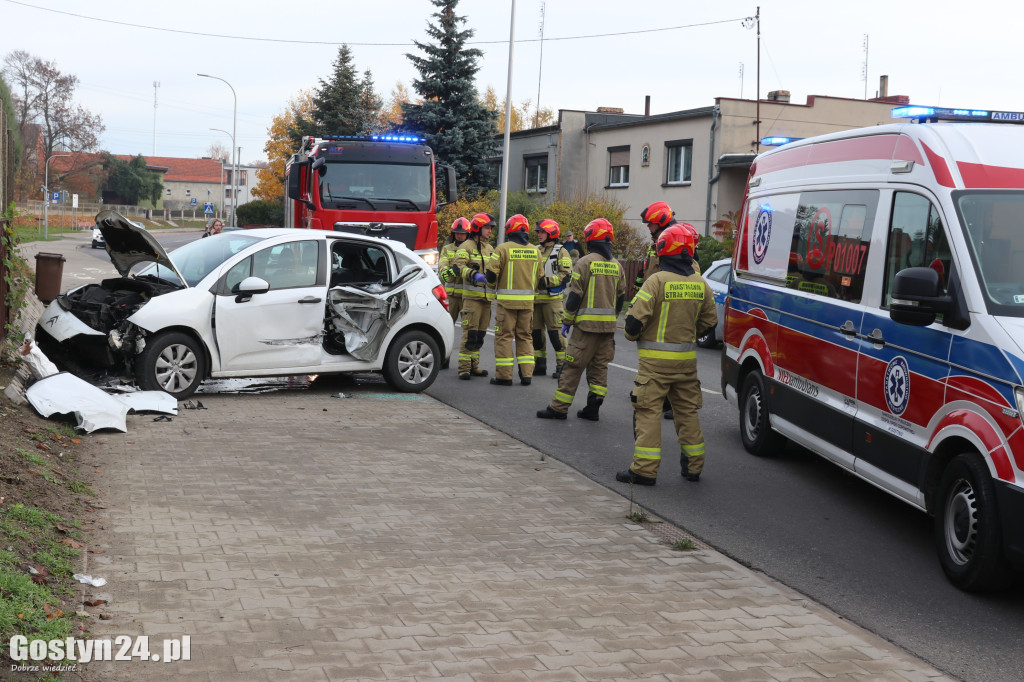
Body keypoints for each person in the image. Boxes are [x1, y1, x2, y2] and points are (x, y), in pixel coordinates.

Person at [616, 224, 718, 486]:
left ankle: (644, 471)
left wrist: (637, 335)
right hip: (686, 365)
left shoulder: (656, 281)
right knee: (687, 413)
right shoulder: (701, 283)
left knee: (648, 413)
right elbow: (709, 324)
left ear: (663, 250)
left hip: (654, 366)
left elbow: (632, 325)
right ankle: (694, 467)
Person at [537, 218, 626, 422]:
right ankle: (592, 409)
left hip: (585, 329)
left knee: (572, 367)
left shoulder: (584, 263)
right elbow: (621, 298)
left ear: (590, 238)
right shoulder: (617, 265)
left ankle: (558, 408)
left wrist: (567, 321)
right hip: (608, 329)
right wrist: (612, 318)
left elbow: (575, 296)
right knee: (599, 369)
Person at [637, 201, 700, 419]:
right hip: (654, 304)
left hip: (673, 307)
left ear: (661, 222)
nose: (648, 227)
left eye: (651, 224)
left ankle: (677, 403)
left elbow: (691, 276)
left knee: (674, 358)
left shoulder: (680, 240)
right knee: (655, 357)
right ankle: (657, 396)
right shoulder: (657, 243)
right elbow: (646, 273)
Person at [486, 214, 542, 386]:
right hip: (528, 304)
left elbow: (490, 274)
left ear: (510, 230)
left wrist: (492, 285)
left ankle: (504, 376)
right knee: (525, 337)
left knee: (504, 337)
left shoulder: (502, 249)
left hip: (506, 304)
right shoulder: (536, 251)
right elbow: (540, 278)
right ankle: (527, 375)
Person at [453, 212, 496, 380]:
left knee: (480, 335)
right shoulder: (466, 246)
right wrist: (473, 274)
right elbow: (458, 267)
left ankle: (474, 366)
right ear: (478, 228)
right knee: (470, 334)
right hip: (471, 299)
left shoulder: (490, 248)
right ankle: (463, 368)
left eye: (491, 228)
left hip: (487, 299)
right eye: (487, 227)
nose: (490, 231)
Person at [531, 218, 574, 379]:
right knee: (536, 335)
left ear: (551, 233)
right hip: (535, 301)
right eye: (538, 232)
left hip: (552, 300)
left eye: (542, 232)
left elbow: (566, 275)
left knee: (556, 336)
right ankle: (539, 365)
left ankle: (562, 366)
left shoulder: (561, 251)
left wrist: (547, 282)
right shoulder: (535, 249)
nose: (539, 234)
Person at [439, 218, 470, 324]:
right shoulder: (447, 249)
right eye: (457, 233)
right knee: (446, 325)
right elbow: (443, 265)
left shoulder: (471, 249)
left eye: (462, 233)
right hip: (450, 296)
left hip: (465, 297)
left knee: (468, 326)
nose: (459, 235)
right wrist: (448, 272)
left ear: (467, 234)